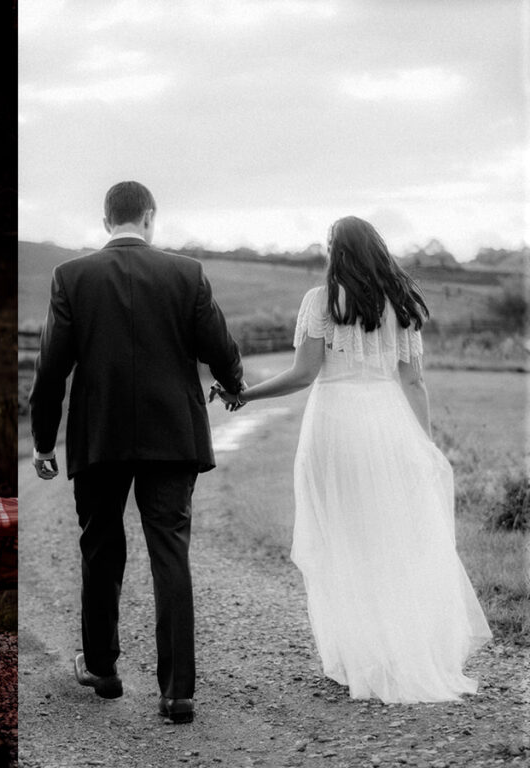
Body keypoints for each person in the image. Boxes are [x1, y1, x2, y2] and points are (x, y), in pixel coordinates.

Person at [212, 215, 493, 702]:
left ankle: (358, 654)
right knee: (390, 535)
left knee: (343, 536)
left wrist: (247, 394)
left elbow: (303, 375)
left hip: (336, 425)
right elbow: (413, 381)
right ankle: (396, 649)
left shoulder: (319, 301)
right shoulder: (400, 305)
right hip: (388, 425)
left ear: (336, 252)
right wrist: (421, 445)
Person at [29, 181, 245, 723]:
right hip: (172, 436)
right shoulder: (187, 273)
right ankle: (178, 692)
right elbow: (218, 347)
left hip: (99, 438)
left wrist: (41, 440)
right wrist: (234, 383)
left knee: (101, 549)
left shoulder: (71, 277)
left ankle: (102, 668)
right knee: (169, 552)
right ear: (149, 217)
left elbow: (51, 368)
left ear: (107, 221)